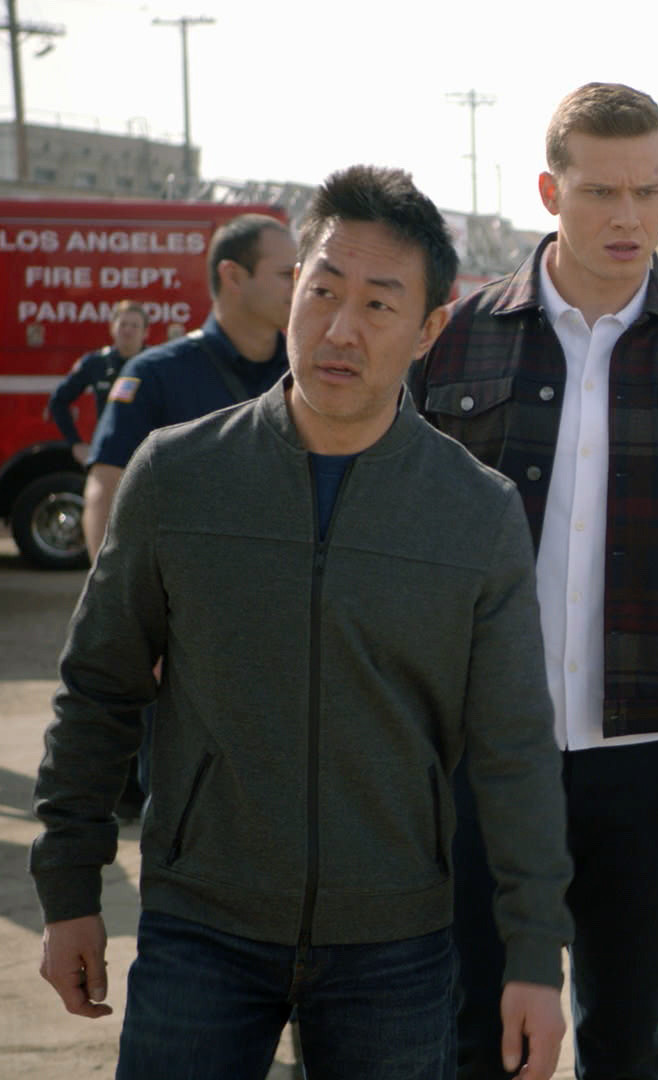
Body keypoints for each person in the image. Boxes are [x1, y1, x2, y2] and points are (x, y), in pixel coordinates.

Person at [29, 164, 573, 1080]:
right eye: (321, 291)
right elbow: (98, 688)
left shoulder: (474, 513)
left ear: (429, 329)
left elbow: (514, 746)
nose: (340, 328)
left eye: (378, 303)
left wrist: (532, 954)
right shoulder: (178, 475)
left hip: (395, 941)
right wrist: (68, 886)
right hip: (201, 924)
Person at [412, 82, 658, 1080]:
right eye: (599, 192)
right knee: (473, 1038)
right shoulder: (451, 339)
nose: (628, 216)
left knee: (626, 1038)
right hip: (476, 755)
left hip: (646, 758)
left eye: (648, 190)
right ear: (550, 192)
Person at [81, 212, 295, 560]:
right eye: (286, 274)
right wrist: (112, 589)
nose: (299, 286)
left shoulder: (305, 375)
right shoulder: (156, 375)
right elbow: (106, 489)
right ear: (233, 276)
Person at [47, 301, 149, 465]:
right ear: (112, 328)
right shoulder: (96, 363)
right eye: (123, 324)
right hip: (109, 455)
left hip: (147, 454)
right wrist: (75, 443)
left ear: (145, 332)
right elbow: (58, 401)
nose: (128, 330)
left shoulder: (155, 365)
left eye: (135, 326)